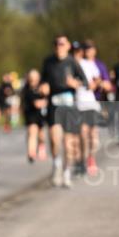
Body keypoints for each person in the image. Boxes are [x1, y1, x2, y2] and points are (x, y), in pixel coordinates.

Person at [40, 35, 86, 188]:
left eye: (62, 44)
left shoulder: (72, 62)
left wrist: (75, 83)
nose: (59, 46)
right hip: (54, 104)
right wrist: (43, 87)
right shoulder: (48, 61)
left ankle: (67, 173)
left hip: (69, 104)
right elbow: (43, 81)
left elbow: (84, 81)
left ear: (67, 46)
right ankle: (57, 165)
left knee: (68, 142)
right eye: (57, 44)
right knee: (54, 139)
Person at [78, 40, 108, 176]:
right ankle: (83, 159)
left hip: (94, 103)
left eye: (91, 48)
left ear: (95, 50)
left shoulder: (99, 65)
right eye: (86, 48)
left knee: (93, 133)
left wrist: (98, 83)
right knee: (83, 133)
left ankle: (91, 159)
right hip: (80, 102)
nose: (89, 51)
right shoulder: (78, 63)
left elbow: (108, 85)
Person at [20, 69, 48, 163]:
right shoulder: (26, 89)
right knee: (32, 132)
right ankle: (31, 152)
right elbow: (24, 102)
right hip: (30, 114)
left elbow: (47, 98)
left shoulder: (42, 87)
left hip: (40, 114)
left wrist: (44, 100)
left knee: (41, 135)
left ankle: (41, 145)